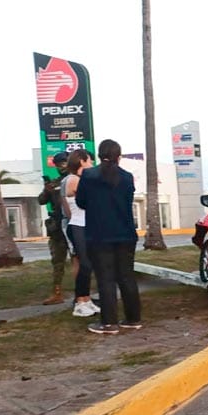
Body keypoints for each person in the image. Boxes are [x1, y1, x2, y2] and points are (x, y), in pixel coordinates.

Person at [76, 139, 141, 335]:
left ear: (98, 155)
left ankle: (109, 323)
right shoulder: (127, 177)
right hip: (126, 233)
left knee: (105, 278)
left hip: (99, 234)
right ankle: (133, 319)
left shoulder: (88, 175)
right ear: (118, 156)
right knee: (127, 276)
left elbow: (81, 202)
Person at [62, 149, 100, 318]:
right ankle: (79, 302)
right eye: (90, 161)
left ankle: (86, 299)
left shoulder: (81, 179)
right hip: (78, 226)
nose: (91, 164)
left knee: (88, 264)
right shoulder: (74, 180)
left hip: (85, 225)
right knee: (84, 264)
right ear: (82, 161)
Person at [37, 151, 70, 304]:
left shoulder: (76, 180)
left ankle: (84, 294)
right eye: (58, 164)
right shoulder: (55, 183)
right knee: (57, 261)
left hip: (74, 224)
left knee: (82, 260)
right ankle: (57, 293)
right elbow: (41, 200)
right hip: (57, 227)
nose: (61, 167)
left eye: (64, 163)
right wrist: (47, 190)